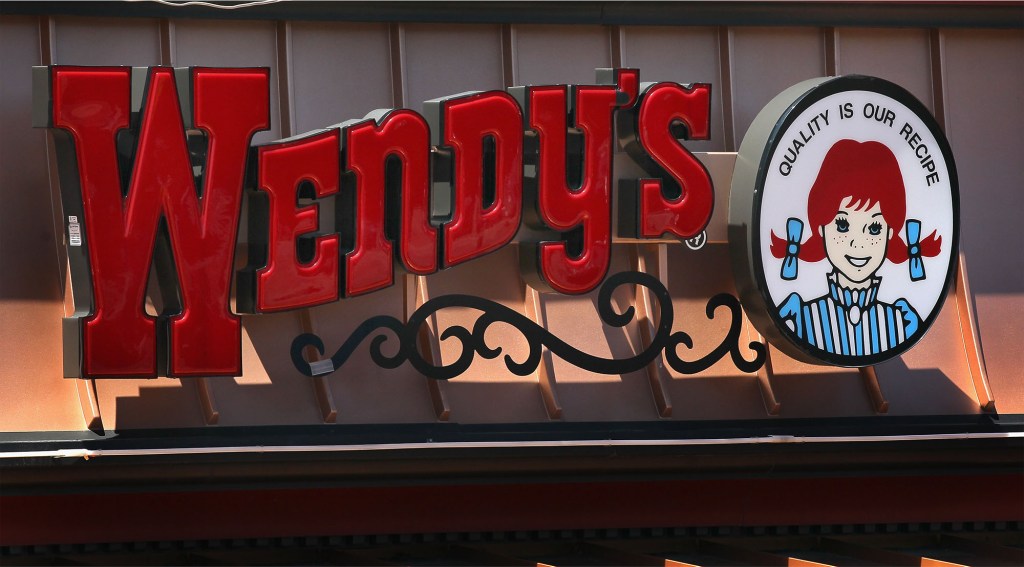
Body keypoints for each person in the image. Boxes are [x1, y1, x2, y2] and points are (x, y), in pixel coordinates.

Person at [769, 139, 942, 357]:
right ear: (821, 227)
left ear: (891, 232)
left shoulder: (902, 321)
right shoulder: (798, 316)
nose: (857, 243)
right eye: (842, 225)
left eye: (874, 227)